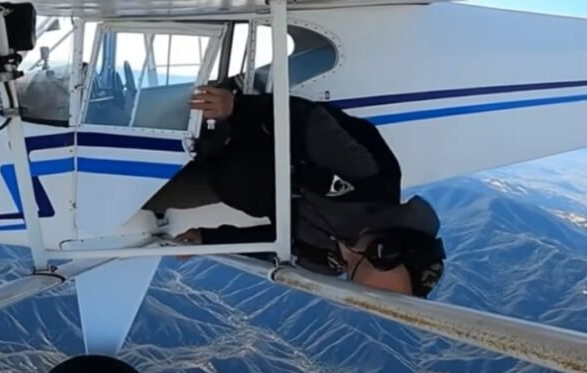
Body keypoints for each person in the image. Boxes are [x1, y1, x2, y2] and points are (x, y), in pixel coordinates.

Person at [144, 86, 446, 298]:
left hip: (216, 182)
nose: (380, 299)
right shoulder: (370, 180)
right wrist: (236, 107)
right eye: (392, 295)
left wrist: (208, 239)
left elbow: (270, 243)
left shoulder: (323, 264)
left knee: (145, 198)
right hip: (230, 133)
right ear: (390, 253)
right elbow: (305, 119)